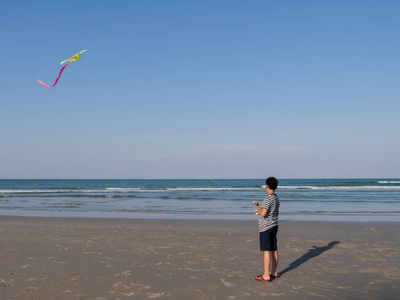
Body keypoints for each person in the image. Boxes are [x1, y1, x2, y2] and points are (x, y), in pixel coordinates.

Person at [253, 177, 280, 282]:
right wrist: (259, 205)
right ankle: (273, 272)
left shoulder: (268, 198)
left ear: (267, 186)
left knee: (267, 250)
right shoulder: (276, 198)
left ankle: (266, 275)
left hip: (266, 228)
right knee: (274, 250)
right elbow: (268, 209)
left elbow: (264, 213)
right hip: (274, 226)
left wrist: (257, 211)